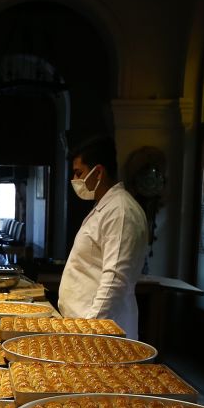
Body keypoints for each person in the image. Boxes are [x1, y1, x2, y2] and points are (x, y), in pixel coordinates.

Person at [58, 137, 149, 339]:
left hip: (101, 332)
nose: (74, 179)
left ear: (98, 172)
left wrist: (89, 330)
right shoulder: (105, 207)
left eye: (78, 173)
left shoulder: (121, 212)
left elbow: (115, 280)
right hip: (84, 325)